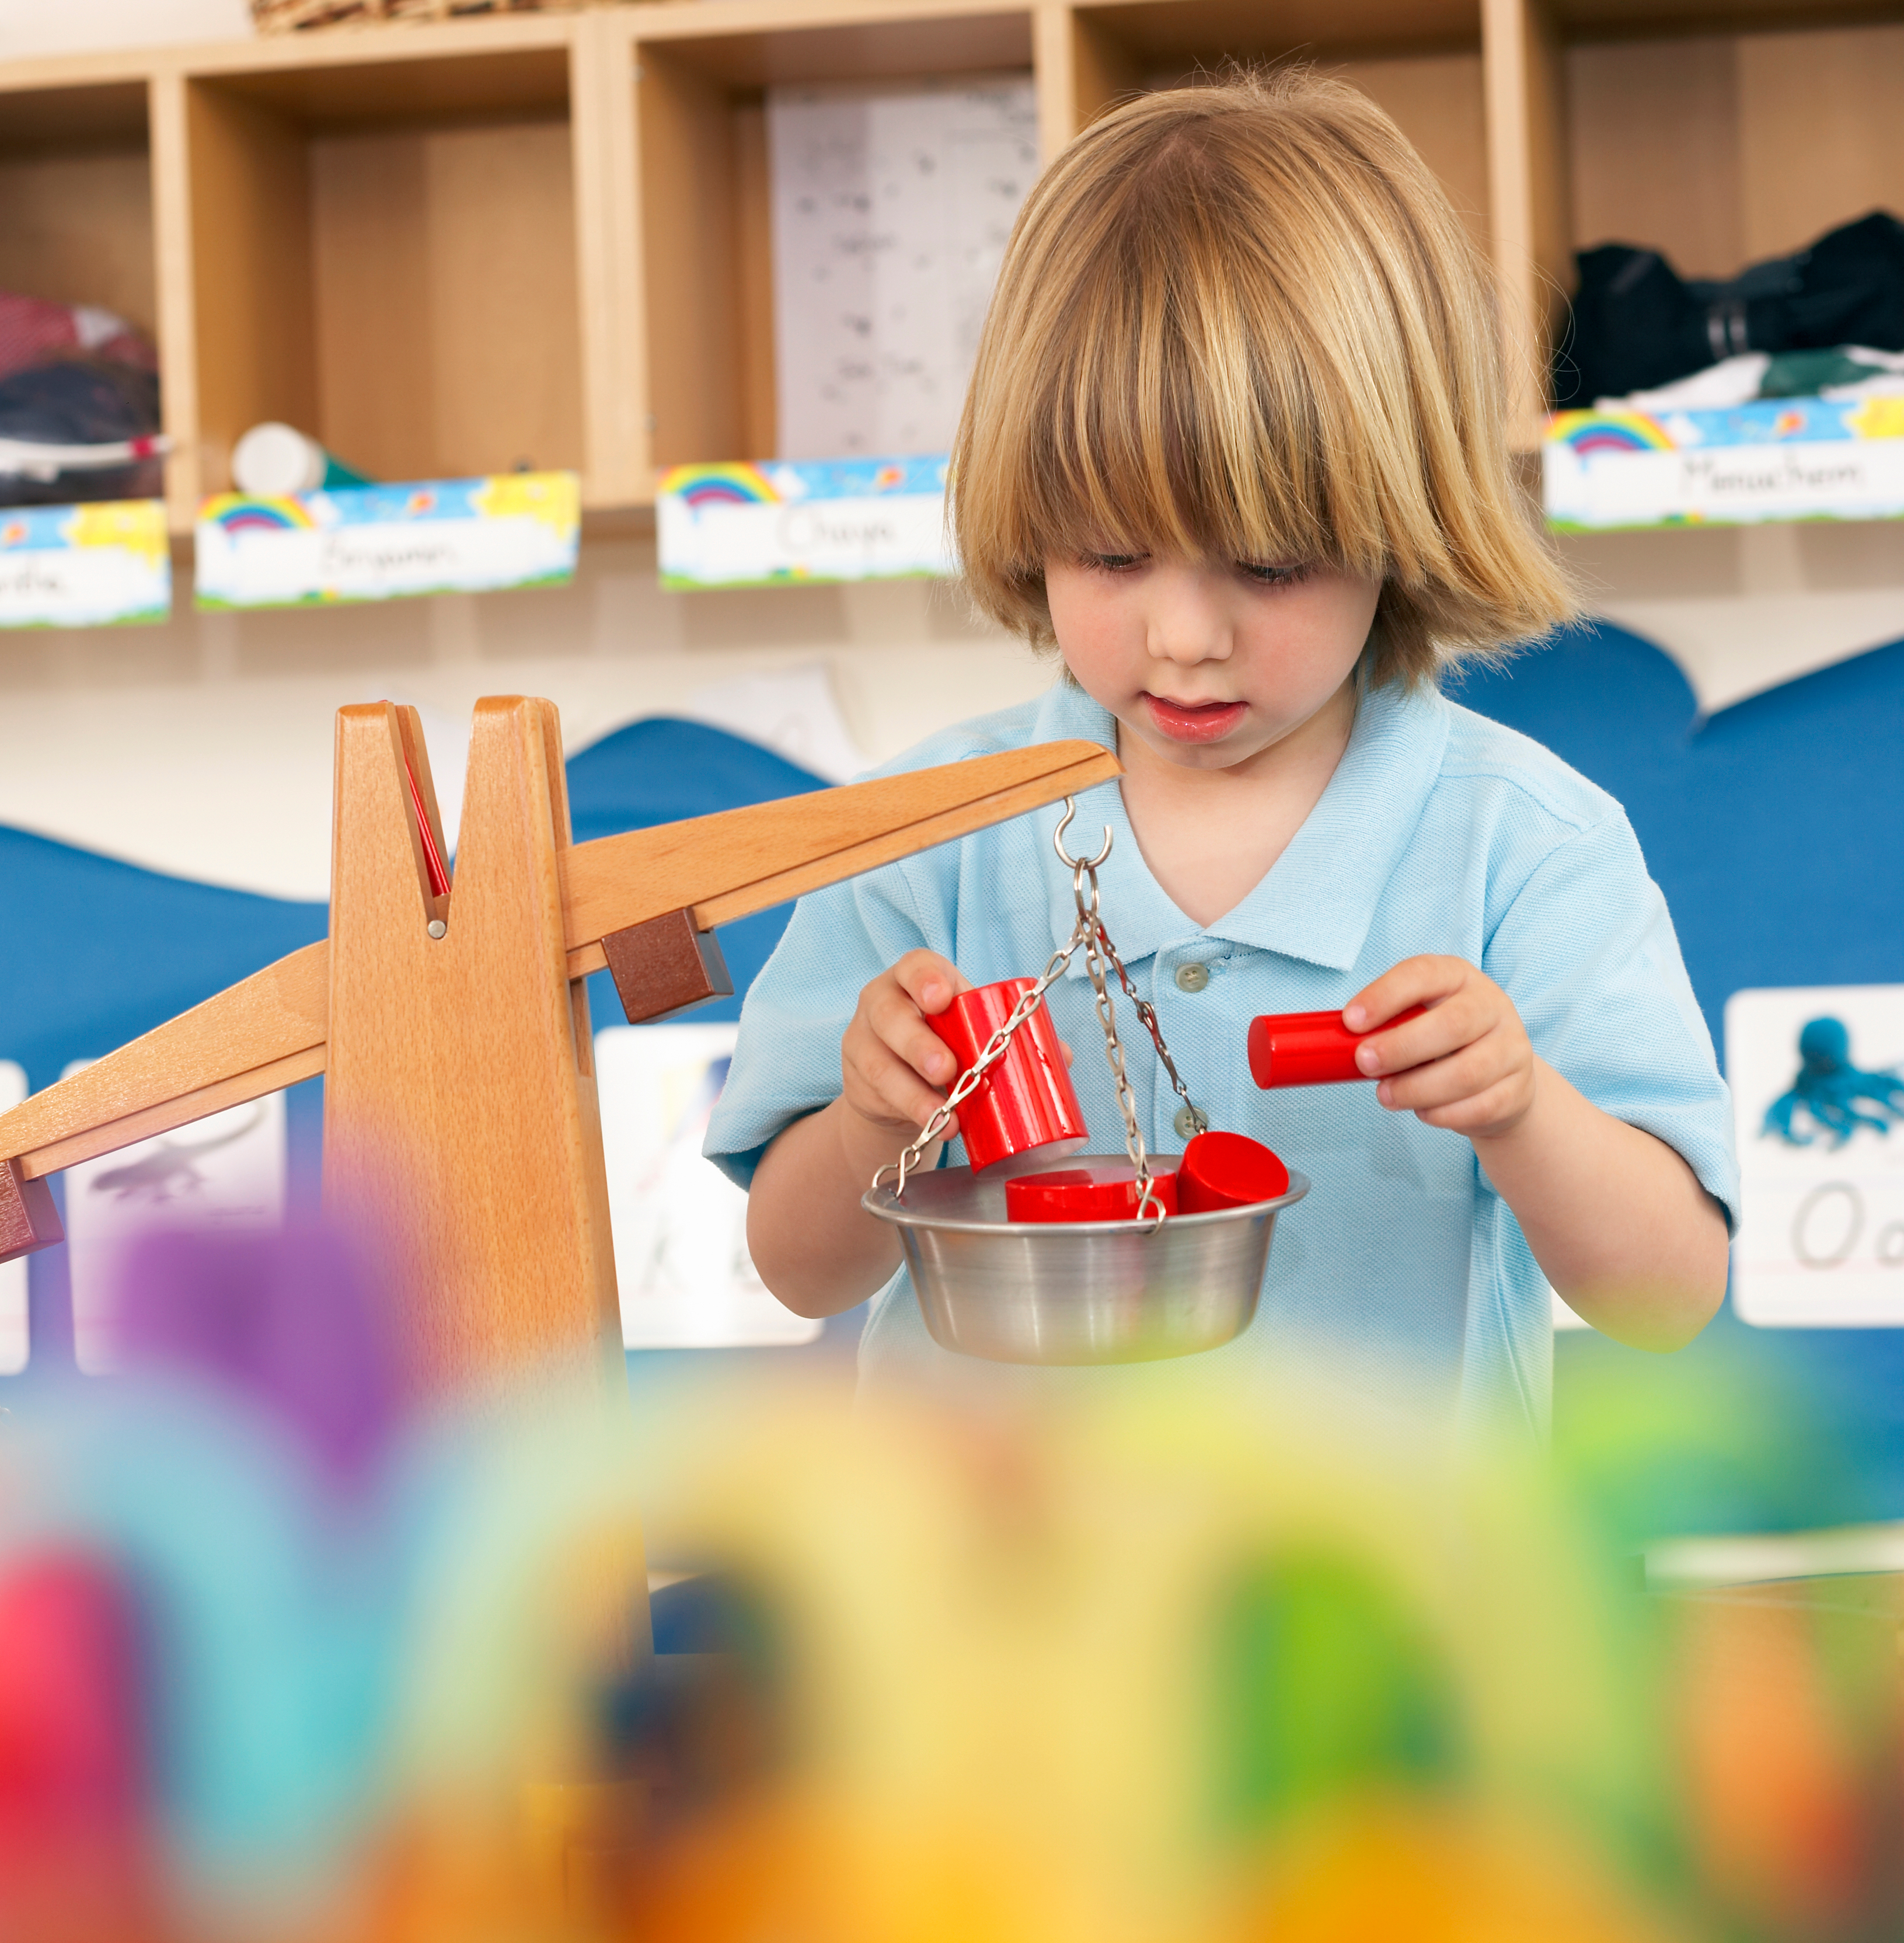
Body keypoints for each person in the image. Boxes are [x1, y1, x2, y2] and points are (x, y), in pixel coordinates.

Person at [708, 71, 1734, 1439]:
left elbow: (1671, 1296)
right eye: (1113, 554)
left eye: (1269, 562)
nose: (1186, 637)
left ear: (1400, 516)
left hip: (1382, 1616)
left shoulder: (1523, 842)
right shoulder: (928, 836)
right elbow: (796, 1267)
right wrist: (863, 1121)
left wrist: (1522, 1109)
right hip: (1000, 1615)